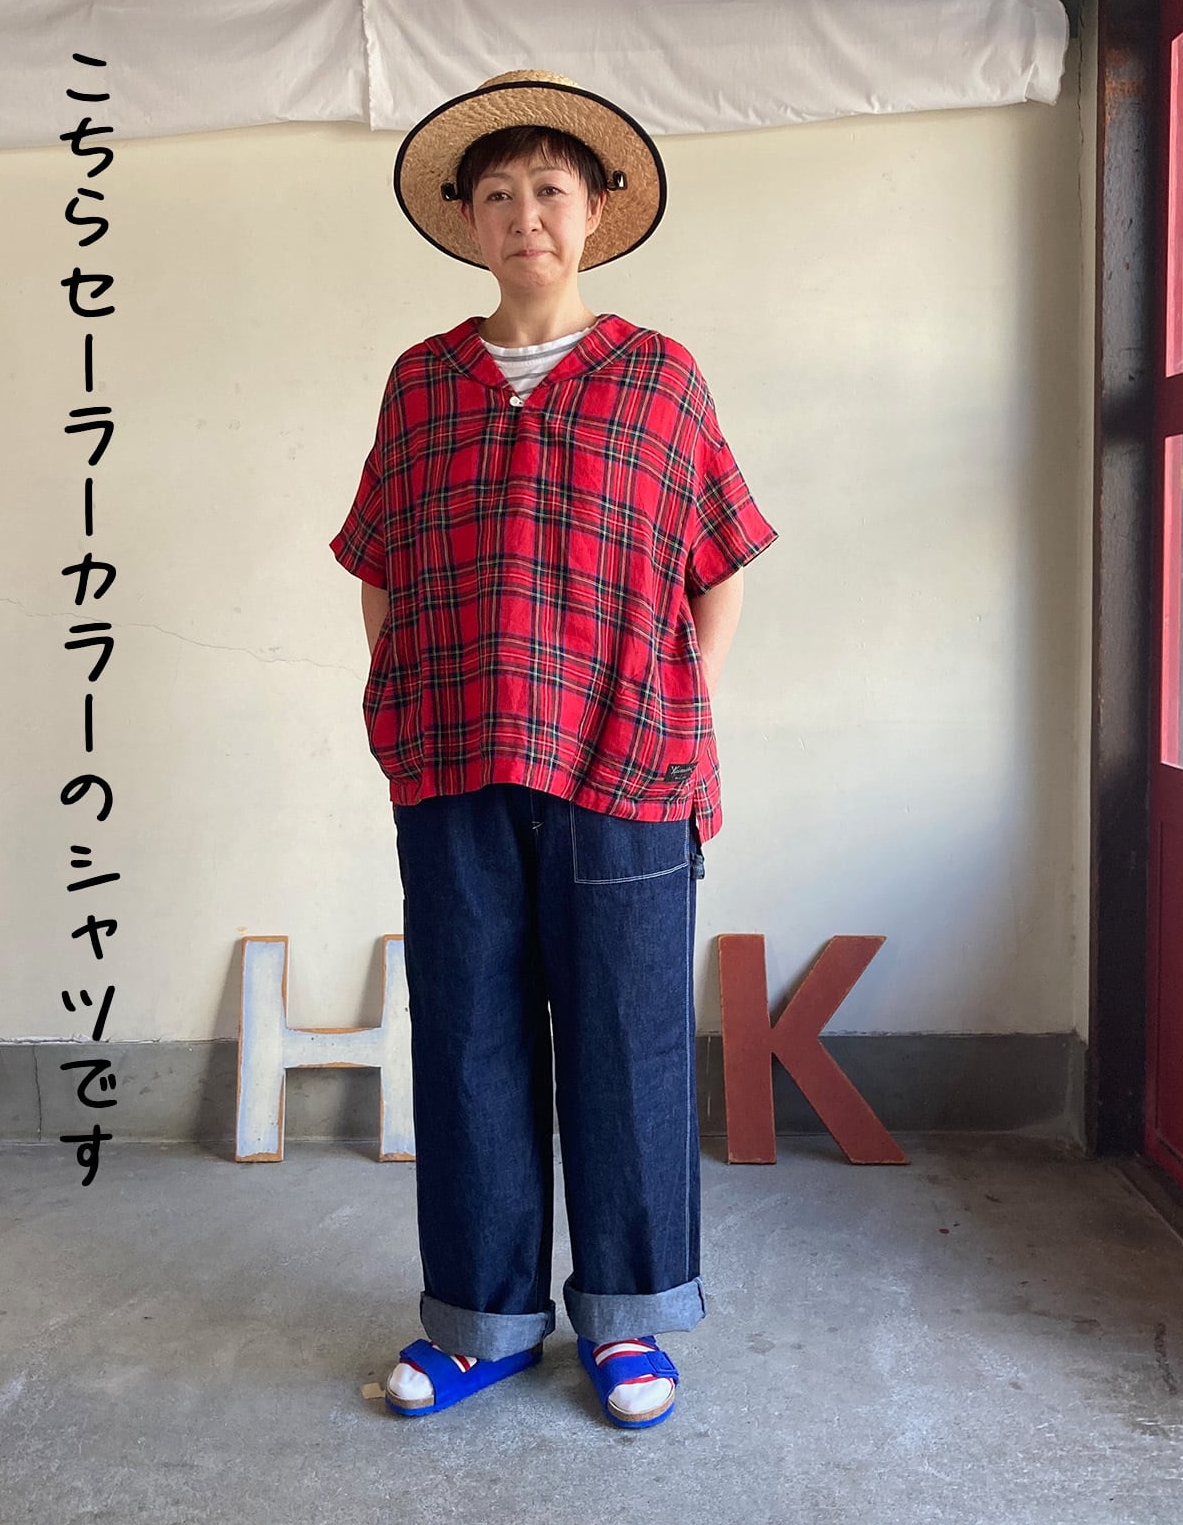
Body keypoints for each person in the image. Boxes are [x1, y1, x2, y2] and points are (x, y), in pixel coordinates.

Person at [328, 70, 778, 1429]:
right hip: (455, 764)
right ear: (469, 220)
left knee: (630, 1046)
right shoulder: (423, 383)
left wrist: (675, 703)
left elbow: (718, 566)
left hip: (626, 766)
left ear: (594, 213)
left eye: (551, 190)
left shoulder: (659, 377)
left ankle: (630, 1323)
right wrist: (404, 693)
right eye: (500, 193)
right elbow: (380, 566)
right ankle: (483, 1323)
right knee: (469, 1040)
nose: (526, 214)